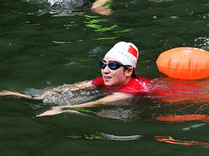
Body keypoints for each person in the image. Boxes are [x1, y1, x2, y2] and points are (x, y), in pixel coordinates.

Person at [0, 41, 151, 116]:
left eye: (112, 66)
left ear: (128, 71)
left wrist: (63, 108)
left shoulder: (133, 89)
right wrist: (34, 97)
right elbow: (69, 88)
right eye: (103, 64)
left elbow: (98, 103)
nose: (105, 70)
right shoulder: (105, 80)